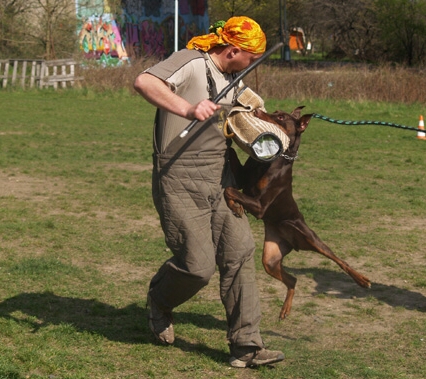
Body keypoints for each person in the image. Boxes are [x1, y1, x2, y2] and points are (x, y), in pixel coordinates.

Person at [133, 16, 285, 368]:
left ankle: (247, 346)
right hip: (179, 177)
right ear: (233, 50)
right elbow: (144, 82)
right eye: (251, 57)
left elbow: (237, 117)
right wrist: (187, 108)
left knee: (240, 251)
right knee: (197, 266)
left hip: (221, 176)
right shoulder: (191, 62)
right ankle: (159, 300)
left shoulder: (233, 77)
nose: (252, 64)